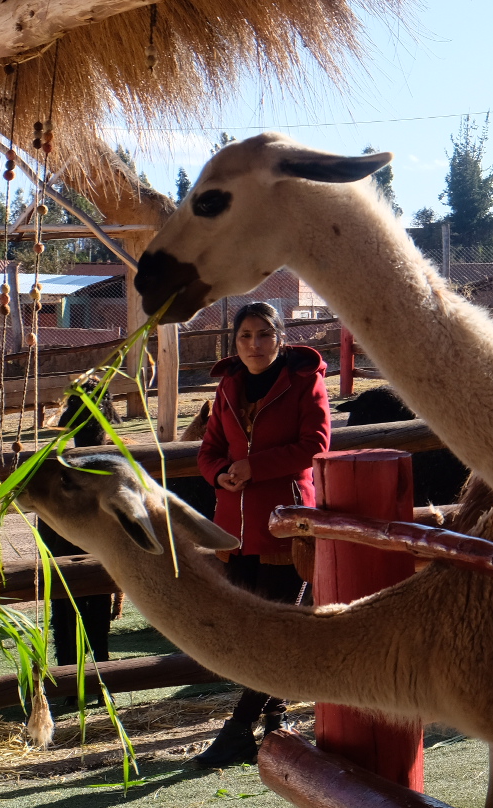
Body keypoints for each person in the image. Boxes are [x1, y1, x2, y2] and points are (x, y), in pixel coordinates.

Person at [192, 301, 330, 768]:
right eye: (245, 336)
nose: (255, 344)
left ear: (280, 338)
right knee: (249, 633)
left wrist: (255, 466)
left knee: (276, 631)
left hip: (285, 525)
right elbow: (209, 450)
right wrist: (220, 474)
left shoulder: (304, 381)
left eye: (264, 334)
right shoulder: (229, 385)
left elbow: (315, 445)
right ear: (235, 342)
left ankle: (237, 730)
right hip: (234, 529)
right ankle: (275, 717)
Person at [38, 394, 116, 679]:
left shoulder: (102, 469)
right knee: (88, 598)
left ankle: (79, 673)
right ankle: (90, 672)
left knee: (77, 600)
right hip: (72, 538)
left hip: (82, 540)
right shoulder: (62, 471)